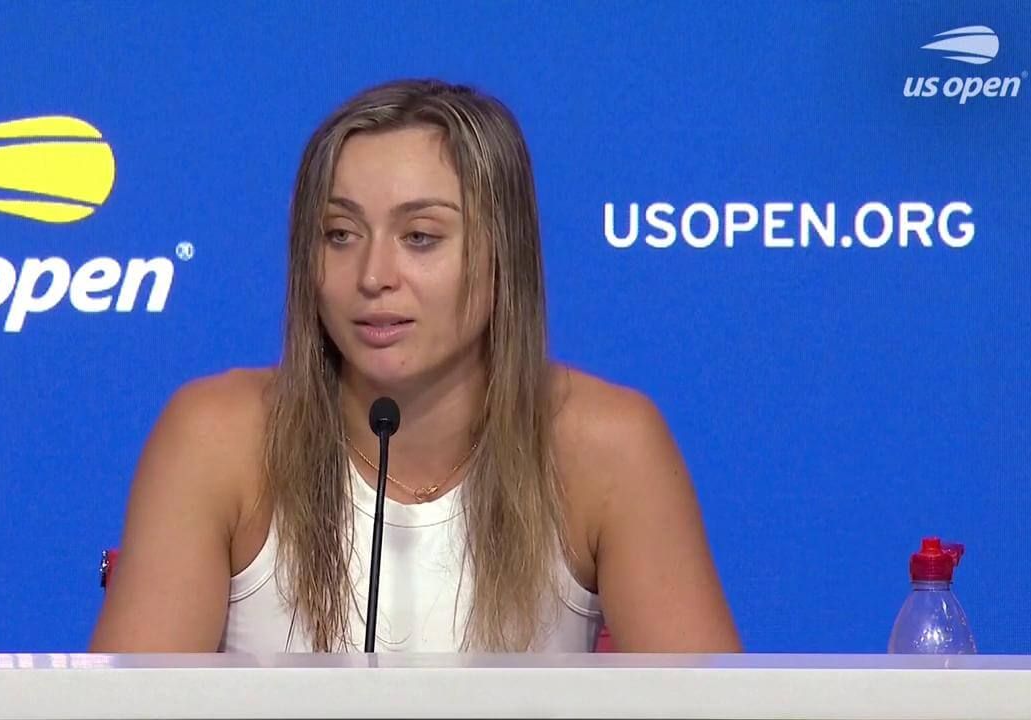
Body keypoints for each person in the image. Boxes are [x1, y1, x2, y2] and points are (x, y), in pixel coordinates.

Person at [89, 78, 741, 653]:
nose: (373, 276)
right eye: (340, 235)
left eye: (421, 237)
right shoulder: (217, 437)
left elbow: (719, 712)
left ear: (501, 254)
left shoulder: (606, 445)